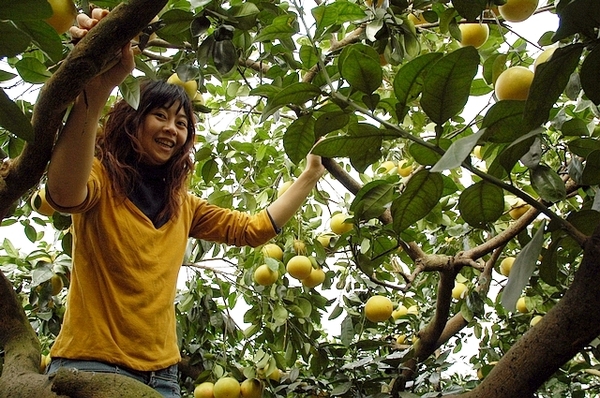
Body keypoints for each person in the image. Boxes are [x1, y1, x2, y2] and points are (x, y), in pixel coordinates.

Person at [44, 9, 325, 398]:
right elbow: (62, 194)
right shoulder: (100, 179)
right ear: (132, 123)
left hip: (162, 377)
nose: (172, 129)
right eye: (159, 115)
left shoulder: (184, 205)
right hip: (91, 364)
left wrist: (310, 174)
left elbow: (254, 228)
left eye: (181, 123)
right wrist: (100, 84)